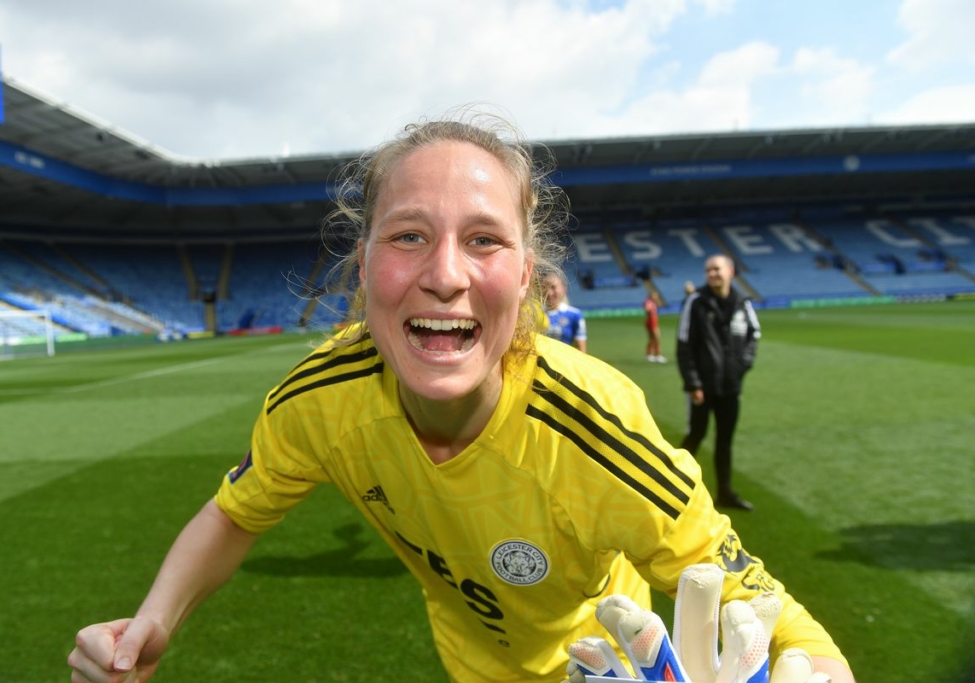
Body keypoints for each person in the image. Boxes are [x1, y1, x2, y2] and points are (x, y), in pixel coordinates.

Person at [67, 113, 853, 683]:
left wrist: (811, 671)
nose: (445, 273)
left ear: (524, 273)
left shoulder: (596, 429)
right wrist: (152, 625)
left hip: (614, 668)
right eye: (408, 235)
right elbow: (236, 510)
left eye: (484, 239)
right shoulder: (318, 400)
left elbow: (781, 620)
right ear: (362, 261)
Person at [676, 254, 761, 512]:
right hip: (702, 387)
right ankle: (671, 487)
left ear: (730, 271)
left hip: (730, 387)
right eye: (708, 270)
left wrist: (741, 367)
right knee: (696, 435)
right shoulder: (697, 301)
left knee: (725, 440)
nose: (712, 273)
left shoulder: (742, 302)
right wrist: (692, 383)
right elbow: (684, 344)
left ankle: (725, 492)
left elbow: (754, 334)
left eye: (717, 269)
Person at [541, 272, 587, 352]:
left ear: (563, 289)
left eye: (553, 287)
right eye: (545, 287)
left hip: (563, 363)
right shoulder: (535, 314)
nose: (549, 292)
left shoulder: (574, 315)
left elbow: (581, 350)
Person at [642, 290, 665, 362]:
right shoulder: (648, 302)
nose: (656, 297)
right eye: (655, 295)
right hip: (651, 322)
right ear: (651, 295)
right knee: (656, 338)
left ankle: (649, 355)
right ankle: (658, 355)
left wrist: (656, 300)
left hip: (653, 322)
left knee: (652, 339)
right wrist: (649, 308)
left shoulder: (653, 302)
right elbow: (646, 309)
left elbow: (660, 304)